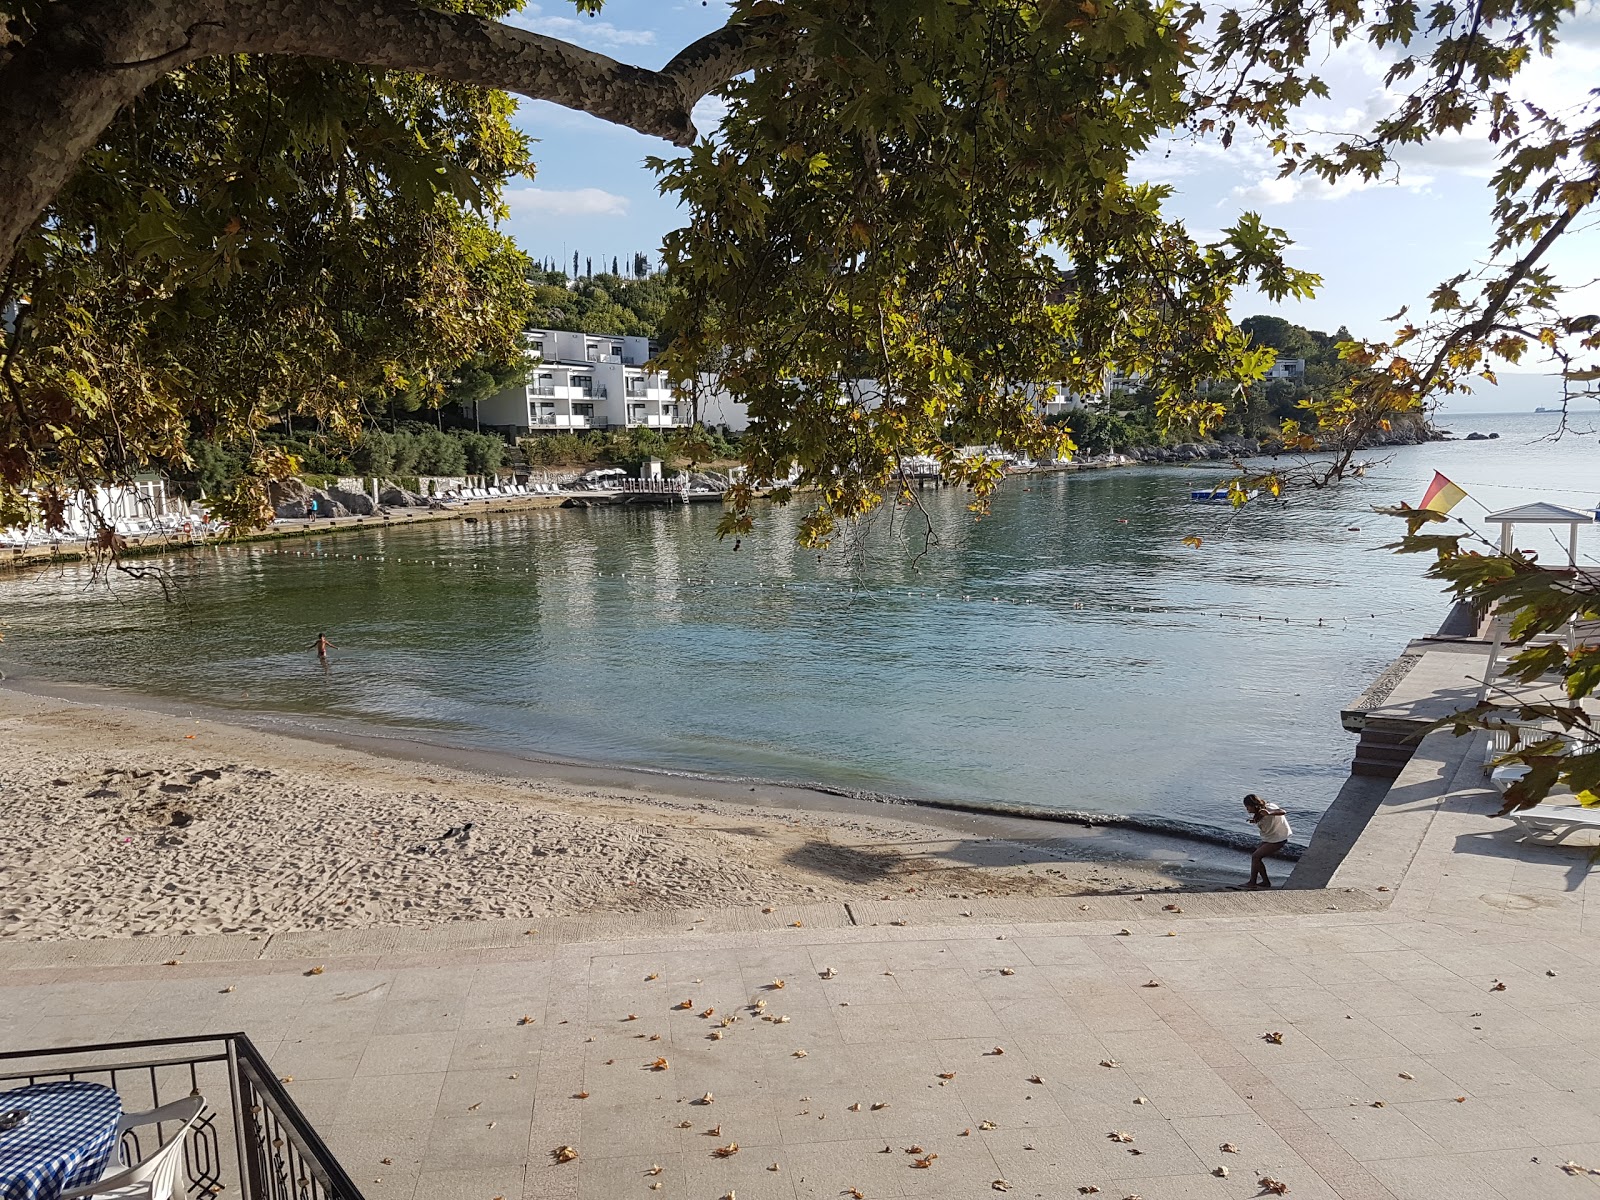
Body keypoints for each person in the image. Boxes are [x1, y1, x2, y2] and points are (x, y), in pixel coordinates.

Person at [1243, 794, 1291, 888]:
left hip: (1278, 839)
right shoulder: (1259, 813)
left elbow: (1282, 811)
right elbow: (1263, 818)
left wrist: (1269, 813)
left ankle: (1252, 882)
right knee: (1256, 857)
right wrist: (1254, 820)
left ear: (1254, 805)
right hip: (1271, 837)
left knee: (1256, 856)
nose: (1247, 809)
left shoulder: (1268, 808)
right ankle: (1265, 882)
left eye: (1247, 806)